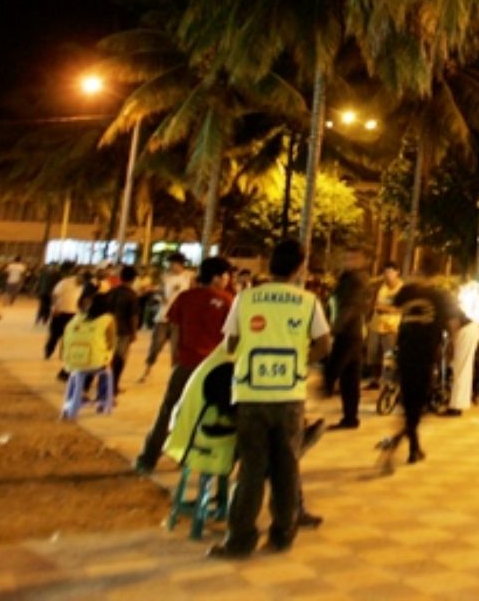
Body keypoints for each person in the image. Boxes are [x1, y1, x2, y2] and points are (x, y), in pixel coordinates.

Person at [211, 239, 330, 560]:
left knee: (251, 469)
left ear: (270, 263)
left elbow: (230, 345)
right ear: (300, 266)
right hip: (289, 395)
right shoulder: (308, 302)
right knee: (286, 468)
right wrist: (299, 360)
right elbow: (324, 345)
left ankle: (241, 540)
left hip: (251, 394)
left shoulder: (246, 299)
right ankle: (282, 535)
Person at [134, 257, 235, 474]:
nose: (227, 279)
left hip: (187, 363)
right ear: (217, 277)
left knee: (169, 410)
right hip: (214, 369)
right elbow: (231, 338)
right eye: (226, 275)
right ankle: (187, 456)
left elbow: (176, 329)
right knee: (204, 414)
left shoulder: (186, 297)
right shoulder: (229, 301)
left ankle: (148, 458)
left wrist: (177, 356)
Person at [379, 281, 459, 469]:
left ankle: (413, 446)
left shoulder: (409, 291)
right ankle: (402, 443)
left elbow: (391, 306)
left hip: (406, 352)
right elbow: (453, 323)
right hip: (425, 354)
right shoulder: (440, 296)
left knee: (410, 402)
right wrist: (452, 348)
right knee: (417, 404)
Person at [324, 269, 368, 430]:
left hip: (346, 336)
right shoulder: (359, 292)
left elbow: (344, 312)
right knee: (350, 378)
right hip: (355, 335)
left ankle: (325, 393)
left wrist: (333, 330)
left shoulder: (348, 290)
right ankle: (350, 418)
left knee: (333, 371)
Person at [140, 253, 193, 381]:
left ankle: (174, 375)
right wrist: (160, 298)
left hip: (179, 318)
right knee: (156, 345)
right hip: (163, 316)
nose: (171, 266)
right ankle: (147, 371)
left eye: (173, 264)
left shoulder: (189, 277)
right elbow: (159, 292)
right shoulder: (165, 277)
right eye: (170, 264)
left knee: (176, 349)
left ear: (180, 264)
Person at [104, 266, 142, 393]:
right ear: (133, 279)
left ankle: (104, 383)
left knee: (107, 357)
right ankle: (113, 386)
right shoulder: (131, 295)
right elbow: (133, 316)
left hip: (107, 329)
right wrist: (134, 332)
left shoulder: (111, 292)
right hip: (123, 331)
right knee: (119, 359)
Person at [365, 264, 404, 384]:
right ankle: (374, 379)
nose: (387, 275)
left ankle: (387, 380)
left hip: (391, 327)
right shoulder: (380, 287)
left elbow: (404, 308)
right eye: (385, 272)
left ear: (397, 272)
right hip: (376, 325)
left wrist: (388, 310)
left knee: (389, 355)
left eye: (390, 272)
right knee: (373, 353)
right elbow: (373, 303)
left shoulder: (402, 289)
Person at [47, 266, 84, 364]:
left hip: (73, 313)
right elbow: (54, 295)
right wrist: (54, 307)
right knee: (54, 335)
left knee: (68, 336)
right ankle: (48, 351)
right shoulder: (65, 283)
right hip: (60, 311)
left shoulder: (82, 286)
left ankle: (63, 354)